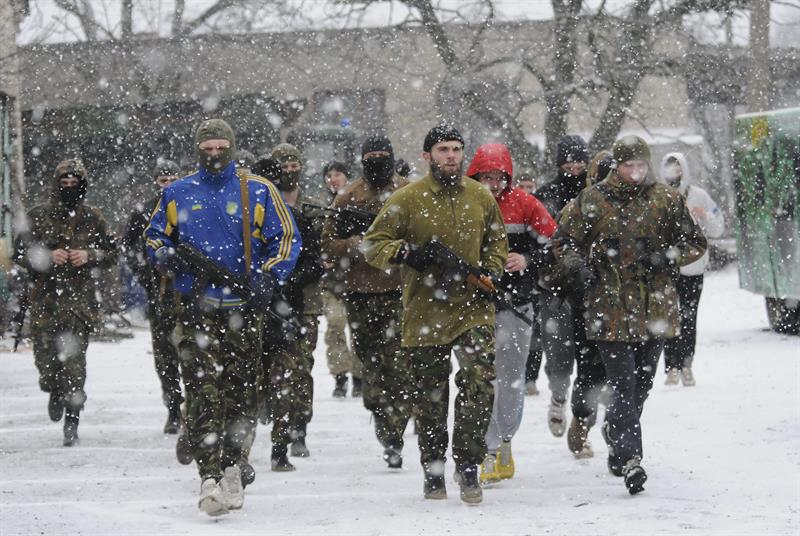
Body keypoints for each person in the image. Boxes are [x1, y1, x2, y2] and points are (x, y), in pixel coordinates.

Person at [144, 119, 300, 516]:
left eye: (220, 147)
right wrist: (165, 256)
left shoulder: (257, 190)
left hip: (242, 310)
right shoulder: (178, 192)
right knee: (201, 390)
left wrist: (270, 276)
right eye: (207, 148)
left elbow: (285, 238)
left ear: (231, 147)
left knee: (242, 392)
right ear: (197, 150)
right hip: (195, 308)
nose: (214, 155)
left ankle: (233, 465)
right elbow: (154, 235)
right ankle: (209, 475)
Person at [553, 135, 706, 494]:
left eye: (641, 165)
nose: (636, 172)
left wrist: (665, 257)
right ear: (617, 166)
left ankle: (615, 430)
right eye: (628, 165)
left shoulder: (665, 199)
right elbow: (563, 240)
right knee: (623, 384)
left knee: (642, 385)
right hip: (609, 306)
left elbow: (695, 242)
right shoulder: (592, 200)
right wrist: (578, 266)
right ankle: (630, 459)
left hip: (655, 307)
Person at [363, 125, 508, 504]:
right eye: (443, 149)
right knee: (429, 396)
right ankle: (433, 467)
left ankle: (469, 464)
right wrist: (407, 253)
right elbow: (373, 244)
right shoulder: (408, 198)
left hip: (473, 307)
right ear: (427, 156)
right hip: (424, 310)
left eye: (457, 149)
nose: (451, 156)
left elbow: (496, 240)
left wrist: (491, 271)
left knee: (480, 382)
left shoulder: (480, 195)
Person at [466, 143, 556, 484]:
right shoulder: (463, 203)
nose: (493, 184)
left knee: (510, 377)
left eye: (499, 177)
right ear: (475, 176)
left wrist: (528, 260)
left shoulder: (525, 204)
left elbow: (556, 243)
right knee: (478, 378)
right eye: (486, 177)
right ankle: (483, 447)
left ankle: (502, 442)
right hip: (472, 305)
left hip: (516, 306)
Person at [13, 158, 118, 446]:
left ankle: (72, 421)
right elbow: (18, 254)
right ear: (56, 184)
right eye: (65, 183)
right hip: (45, 303)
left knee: (75, 365)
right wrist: (45, 257)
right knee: (46, 365)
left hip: (79, 305)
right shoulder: (37, 216)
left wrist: (90, 255)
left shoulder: (93, 217)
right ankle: (54, 390)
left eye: (75, 183)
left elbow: (113, 252)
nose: (69, 187)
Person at [321, 136, 410, 469]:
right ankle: (384, 420)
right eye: (371, 156)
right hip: (360, 293)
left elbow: (422, 235)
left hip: (398, 292)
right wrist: (355, 243)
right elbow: (328, 243)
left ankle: (395, 433)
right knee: (371, 368)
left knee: (398, 366)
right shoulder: (348, 195)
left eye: (383, 156)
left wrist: (396, 246)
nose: (377, 162)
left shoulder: (407, 192)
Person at [121, 159, 183, 434]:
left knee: (193, 353)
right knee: (165, 356)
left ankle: (195, 409)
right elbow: (128, 247)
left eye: (172, 180)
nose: (168, 185)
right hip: (160, 293)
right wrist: (145, 276)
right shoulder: (145, 211)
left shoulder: (192, 206)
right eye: (163, 181)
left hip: (190, 292)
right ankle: (174, 408)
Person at [534, 135, 590, 437]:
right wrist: (549, 258)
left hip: (592, 287)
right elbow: (535, 239)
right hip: (555, 289)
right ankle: (558, 397)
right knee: (558, 355)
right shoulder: (546, 194)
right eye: (569, 161)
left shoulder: (595, 193)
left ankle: (583, 420)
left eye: (580, 160)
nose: (574, 167)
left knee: (592, 359)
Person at [269, 142, 320, 459]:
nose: (290, 172)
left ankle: (299, 428)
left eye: (294, 166)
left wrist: (297, 277)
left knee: (301, 367)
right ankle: (277, 425)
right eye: (284, 167)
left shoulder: (311, 206)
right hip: (270, 301)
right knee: (274, 369)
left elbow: (319, 255)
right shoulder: (265, 204)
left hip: (306, 300)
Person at [659, 152, 724, 386]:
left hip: (693, 267)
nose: (674, 172)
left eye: (678, 167)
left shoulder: (699, 195)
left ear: (684, 169)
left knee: (688, 317)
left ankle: (687, 365)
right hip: (666, 268)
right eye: (670, 167)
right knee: (668, 317)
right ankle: (671, 368)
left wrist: (704, 215)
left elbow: (718, 227)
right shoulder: (658, 195)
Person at [320, 161, 363, 398]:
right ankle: (340, 375)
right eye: (329, 175)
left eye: (338, 174)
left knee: (359, 328)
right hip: (331, 280)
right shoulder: (320, 206)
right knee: (335, 327)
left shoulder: (357, 203)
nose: (333, 179)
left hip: (356, 278)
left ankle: (359, 376)